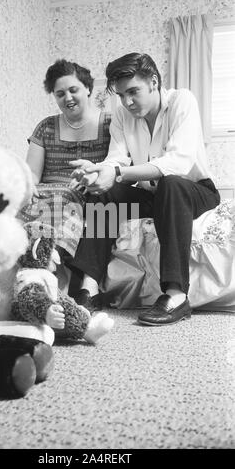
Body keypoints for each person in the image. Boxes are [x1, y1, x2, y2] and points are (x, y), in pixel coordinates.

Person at [68, 52, 220, 326]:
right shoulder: (123, 114)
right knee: (105, 193)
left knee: (171, 183)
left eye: (133, 92)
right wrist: (98, 173)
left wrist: (115, 172)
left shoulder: (182, 101)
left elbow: (178, 161)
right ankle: (88, 290)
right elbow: (117, 159)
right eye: (122, 95)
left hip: (193, 190)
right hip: (153, 194)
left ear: (153, 81)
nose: (127, 102)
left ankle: (176, 295)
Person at [0, 59, 111, 322]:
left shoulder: (110, 124)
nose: (67, 98)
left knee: (64, 202)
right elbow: (33, 173)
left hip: (84, 193)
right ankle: (18, 286)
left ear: (88, 88)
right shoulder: (46, 127)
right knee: (21, 206)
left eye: (73, 90)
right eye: (60, 94)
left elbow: (114, 164)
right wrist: (29, 187)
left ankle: (50, 278)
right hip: (46, 190)